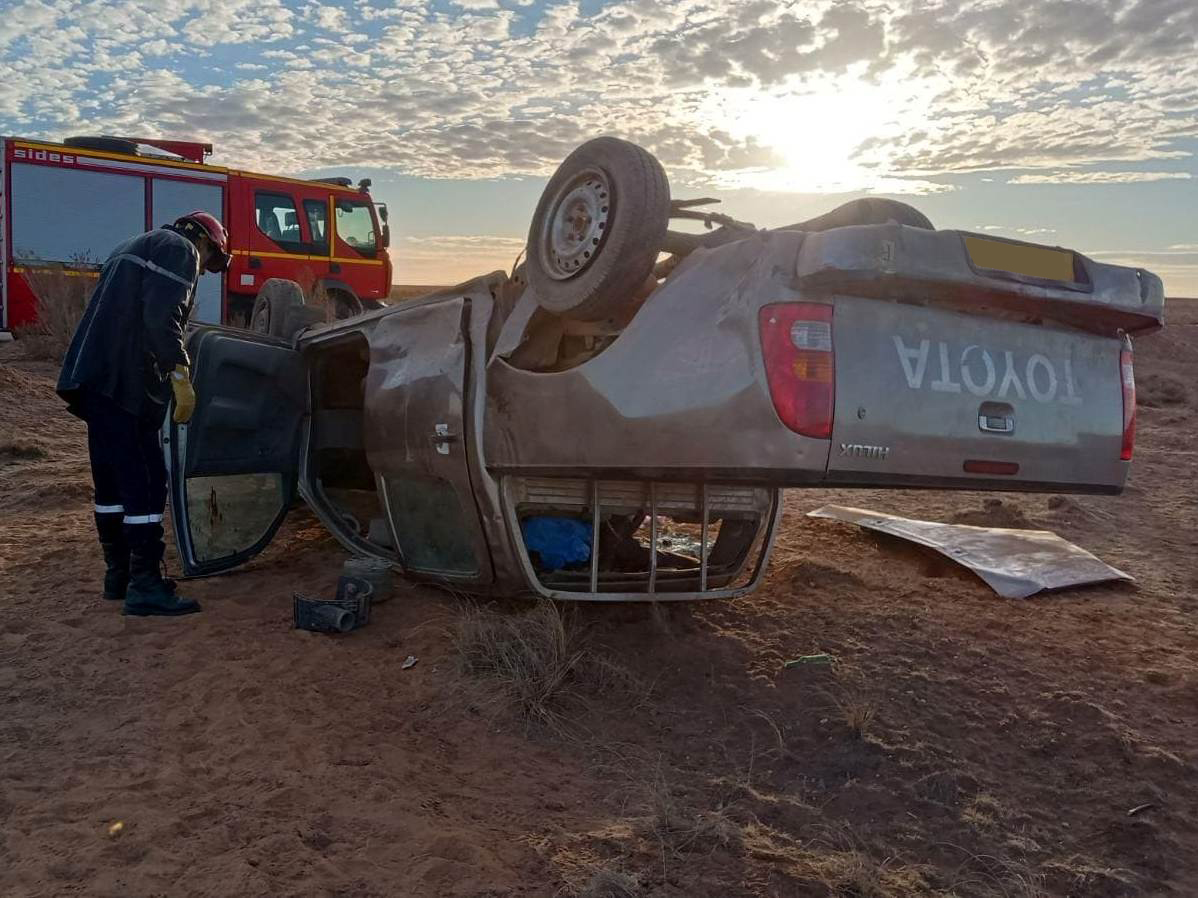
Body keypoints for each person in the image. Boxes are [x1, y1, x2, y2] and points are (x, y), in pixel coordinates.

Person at [56, 212, 232, 617]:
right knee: (147, 482)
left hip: (94, 379)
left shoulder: (130, 246)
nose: (205, 270)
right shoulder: (179, 249)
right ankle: (146, 585)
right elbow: (161, 317)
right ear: (205, 241)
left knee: (111, 483)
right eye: (213, 261)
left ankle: (117, 576)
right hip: (126, 382)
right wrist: (179, 369)